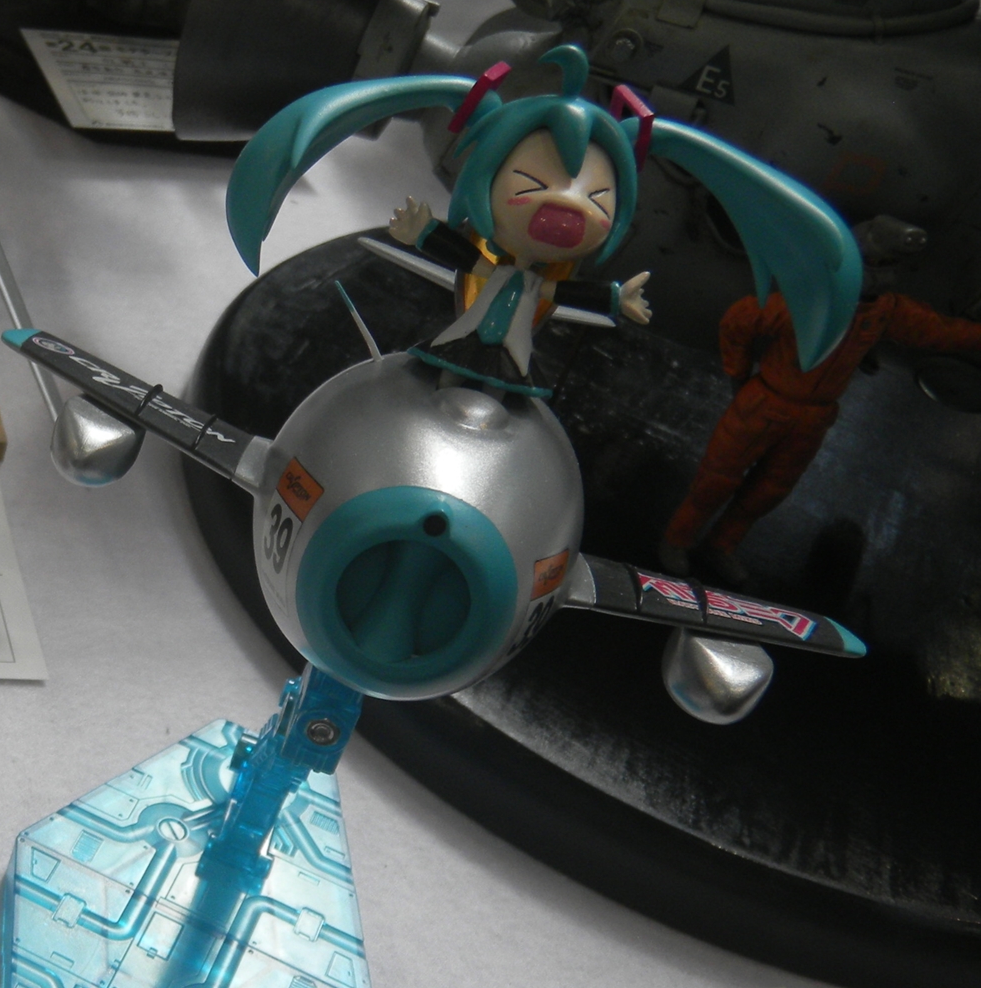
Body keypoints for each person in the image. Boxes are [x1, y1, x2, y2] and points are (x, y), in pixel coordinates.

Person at [226, 45, 861, 398]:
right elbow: (464, 256)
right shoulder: (491, 259)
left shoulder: (542, 281)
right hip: (468, 327)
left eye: (596, 196)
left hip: (515, 346)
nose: (569, 203)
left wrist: (615, 299)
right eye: (533, 184)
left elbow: (568, 296)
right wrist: (423, 234)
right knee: (448, 367)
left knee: (506, 380)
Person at [661, 253, 981, 584]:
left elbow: (937, 331)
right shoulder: (808, 303)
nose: (880, 277)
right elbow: (739, 320)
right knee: (716, 479)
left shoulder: (884, 312)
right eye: (875, 265)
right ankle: (677, 539)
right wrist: (738, 374)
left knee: (769, 491)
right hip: (766, 402)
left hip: (813, 416)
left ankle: (721, 545)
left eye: (888, 266)